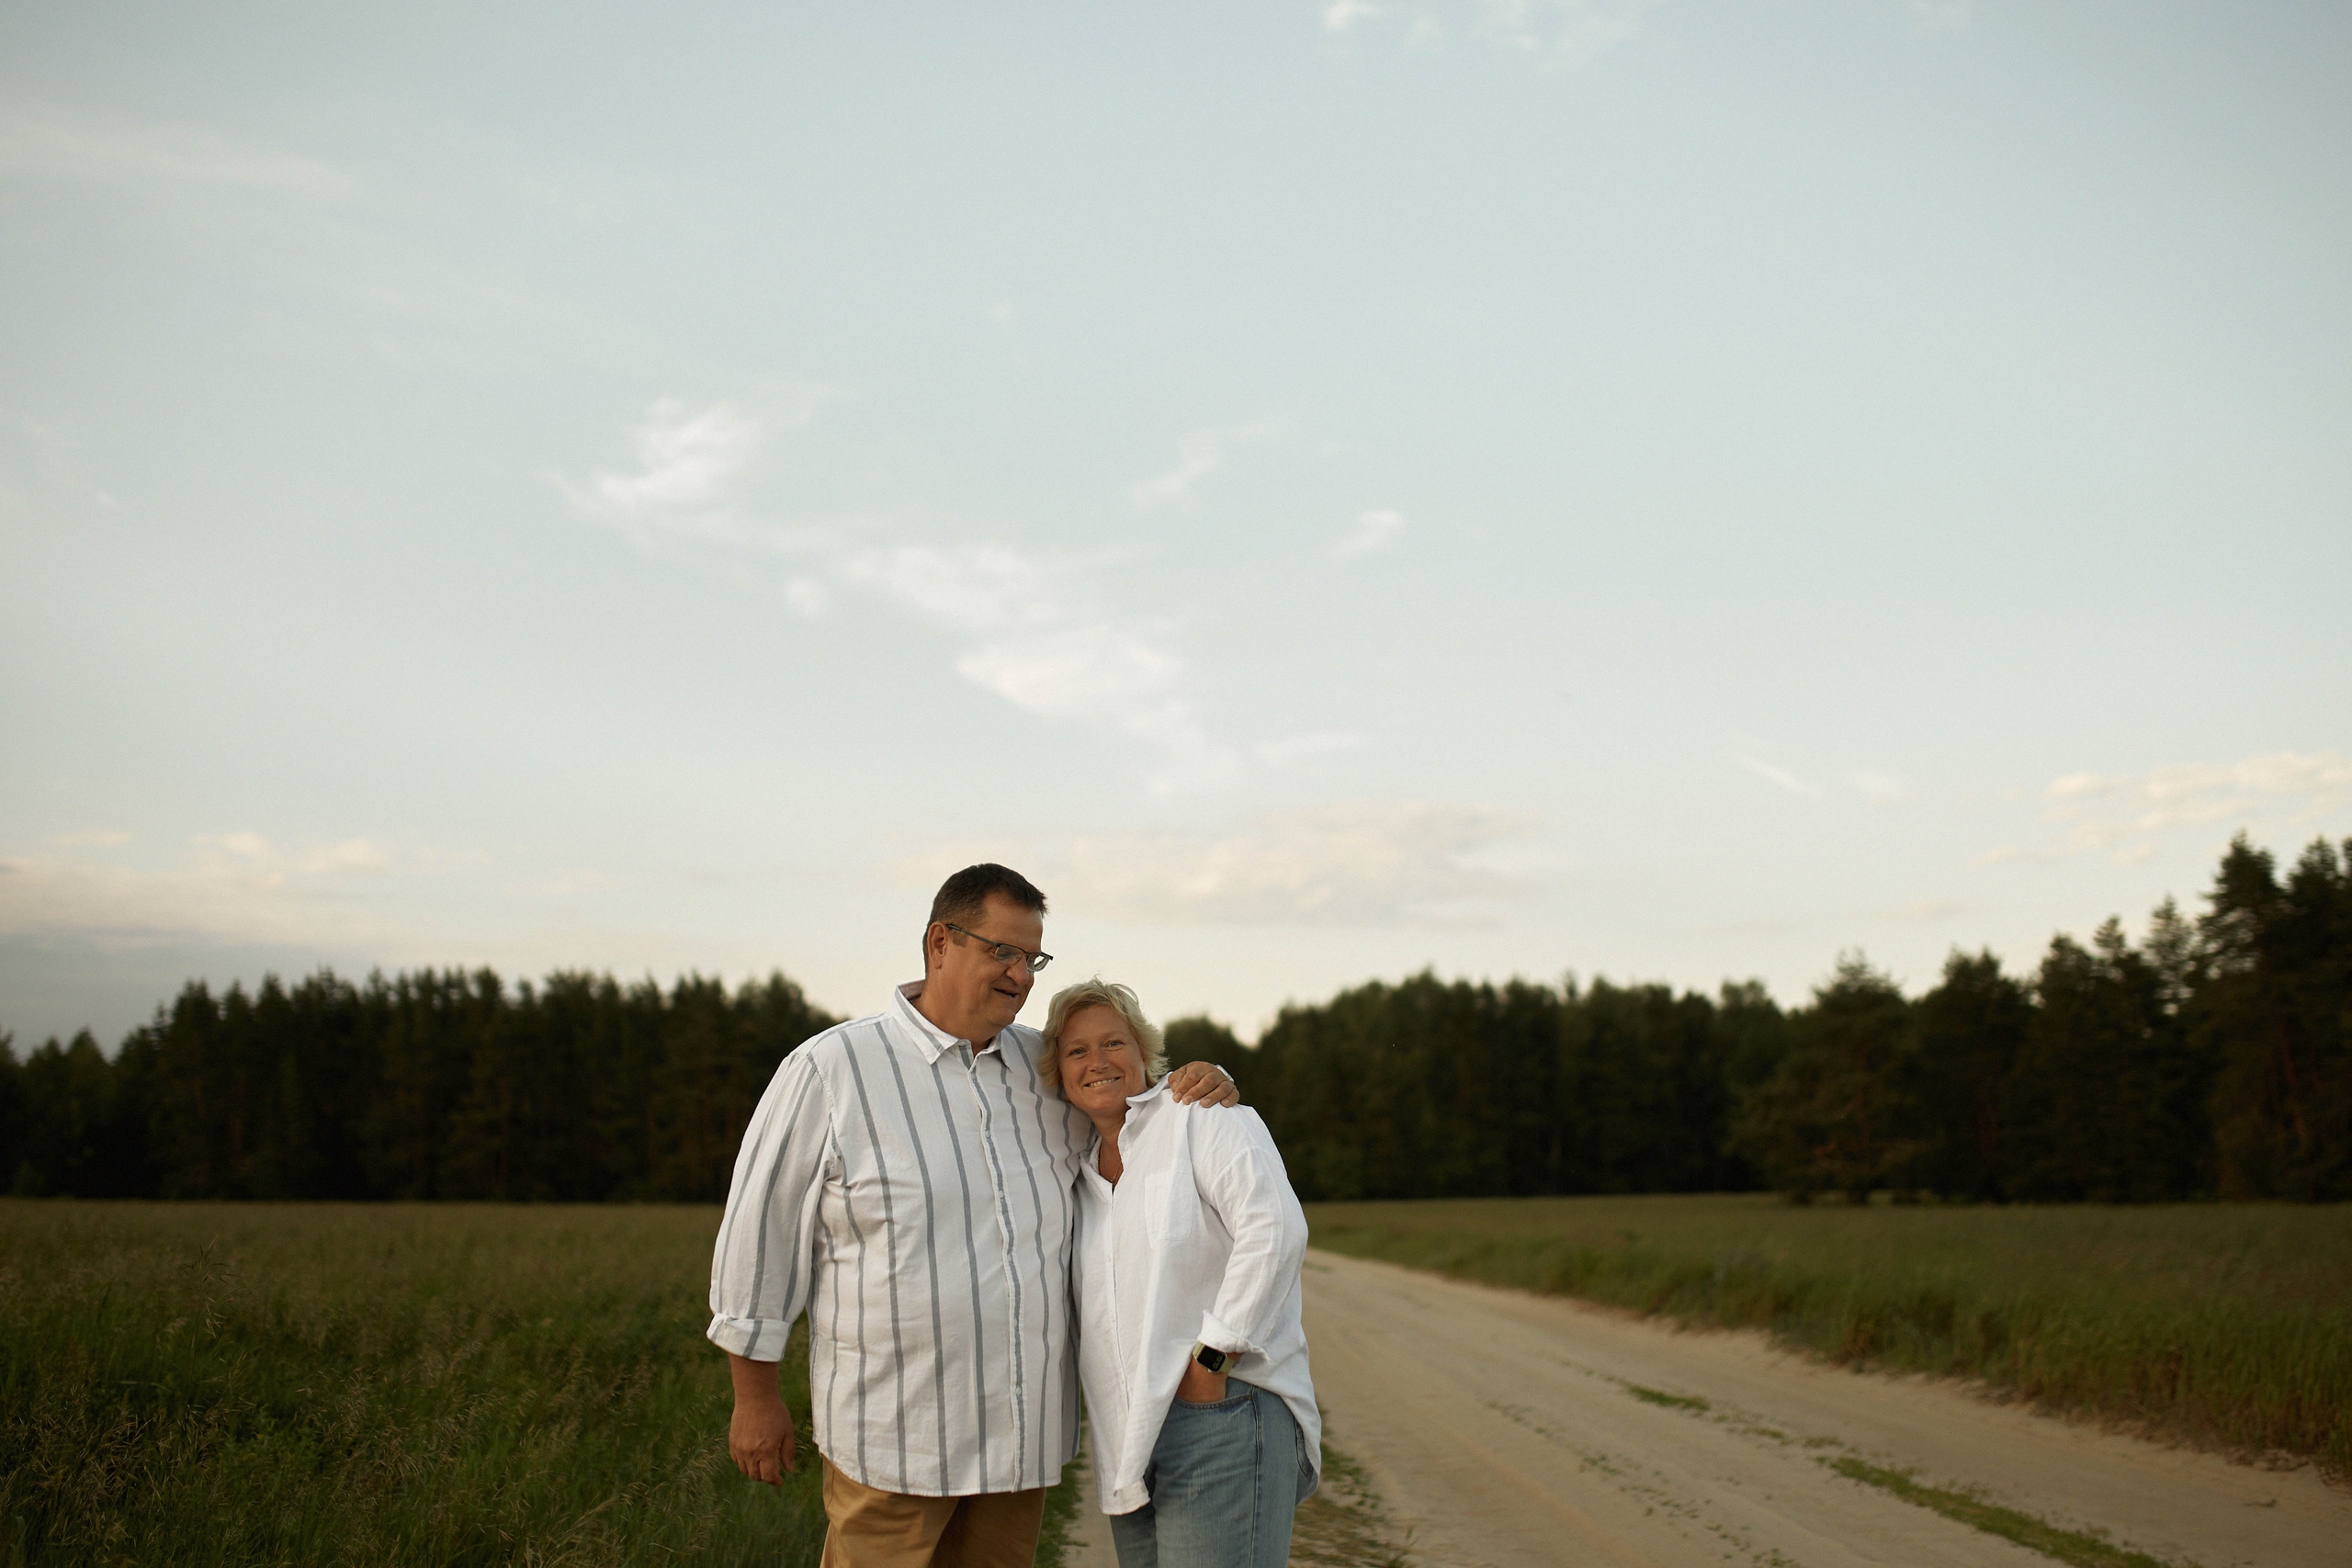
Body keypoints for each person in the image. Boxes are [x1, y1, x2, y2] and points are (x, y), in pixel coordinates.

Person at [707, 864, 1240, 1568]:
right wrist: (755, 1398)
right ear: (939, 942)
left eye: (1033, 958)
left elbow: (1138, 1134)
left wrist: (1201, 1086)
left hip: (1019, 1444)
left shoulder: (1046, 1068)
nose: (1021, 975)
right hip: (894, 1442)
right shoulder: (832, 1070)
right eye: (1003, 951)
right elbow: (760, 1240)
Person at [1043, 978, 1318, 1568]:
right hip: (1130, 1444)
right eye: (1076, 1051)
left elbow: (1275, 1231)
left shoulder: (1201, 1117)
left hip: (1219, 1413)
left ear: (1144, 1054)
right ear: (1058, 1073)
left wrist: (1209, 1364)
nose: (1097, 1062)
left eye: (1114, 1042)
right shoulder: (1075, 1171)